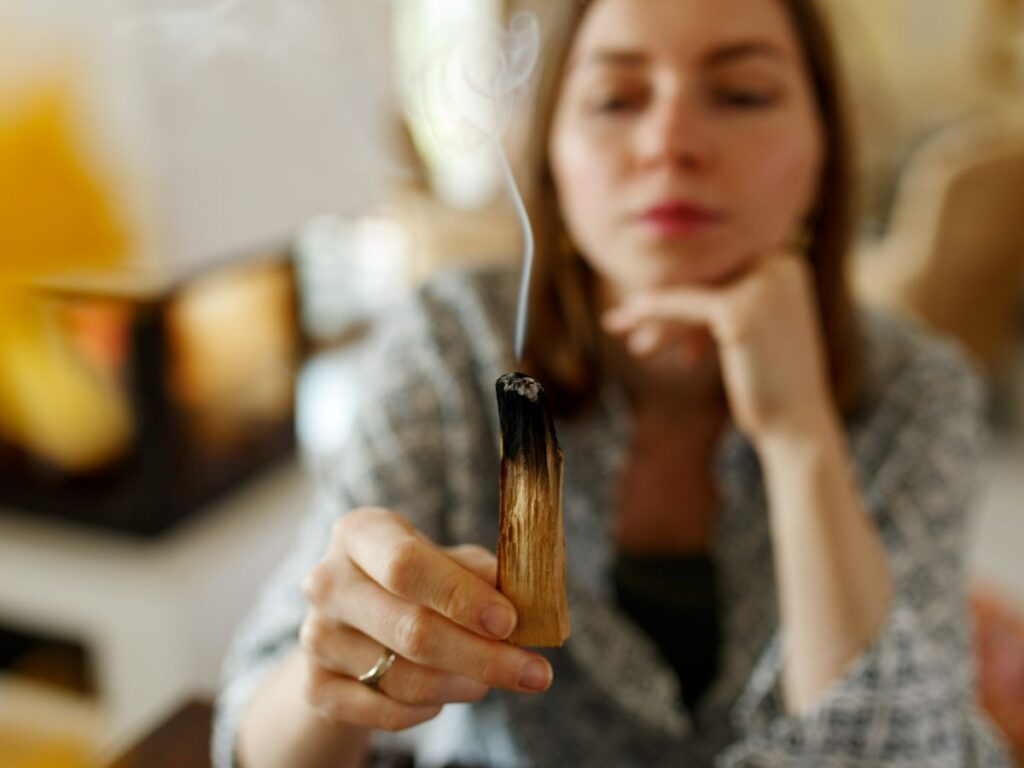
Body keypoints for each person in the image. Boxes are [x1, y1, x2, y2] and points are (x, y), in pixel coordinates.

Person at [214, 0, 1012, 765]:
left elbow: (904, 756)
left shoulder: (918, 386)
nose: (670, 140)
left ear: (825, 151)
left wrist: (799, 430)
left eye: (741, 93)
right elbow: (257, 737)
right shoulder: (455, 347)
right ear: (553, 157)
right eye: (615, 98)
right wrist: (335, 676)